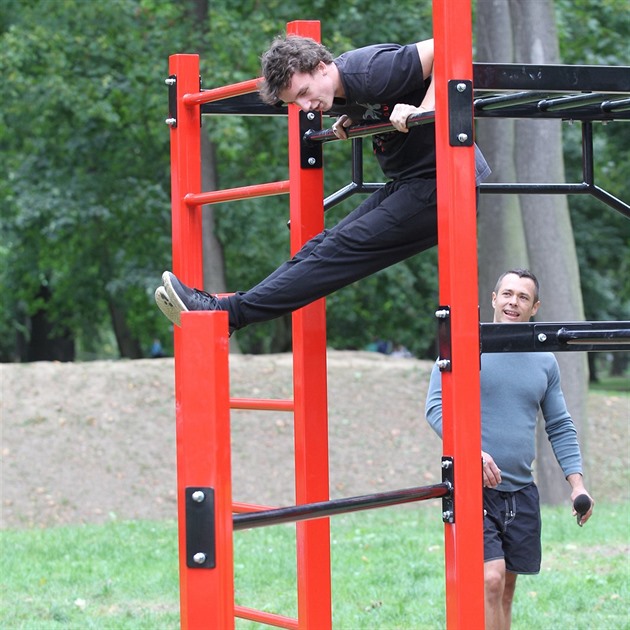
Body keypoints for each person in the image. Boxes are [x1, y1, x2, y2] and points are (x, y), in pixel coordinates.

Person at [155, 35, 491, 331]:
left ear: (320, 67)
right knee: (321, 245)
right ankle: (225, 310)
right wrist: (357, 114)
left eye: (304, 92)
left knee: (337, 251)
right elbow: (376, 98)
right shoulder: (342, 88)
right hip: (413, 182)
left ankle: (228, 313)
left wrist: (424, 109)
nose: (305, 106)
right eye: (294, 102)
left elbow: (448, 47)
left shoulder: (370, 70)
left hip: (446, 187)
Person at [425, 268, 594, 630]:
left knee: (505, 590)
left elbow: (560, 425)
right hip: (474, 486)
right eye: (507, 293)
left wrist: (577, 484)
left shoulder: (545, 361)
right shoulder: (462, 345)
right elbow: (436, 407)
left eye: (522, 297)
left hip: (520, 491)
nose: (513, 302)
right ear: (493, 299)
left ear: (535, 307)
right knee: (491, 579)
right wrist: (471, 452)